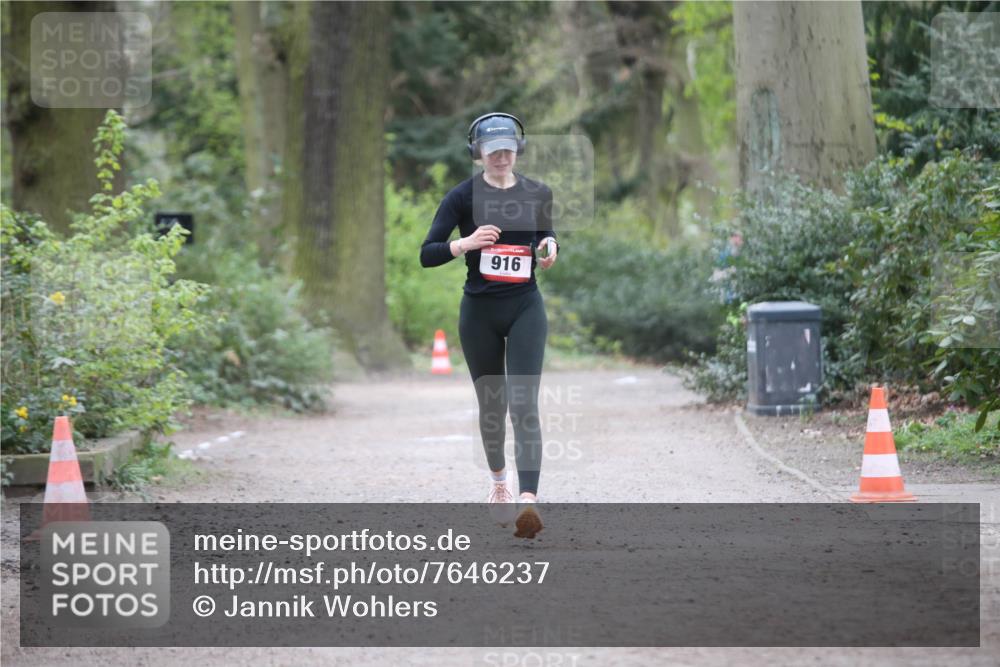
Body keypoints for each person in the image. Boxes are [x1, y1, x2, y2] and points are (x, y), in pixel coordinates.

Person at [419, 112, 558, 538]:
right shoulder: (461, 197)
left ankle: (529, 502)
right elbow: (428, 253)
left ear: (518, 151)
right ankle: (500, 484)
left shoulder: (537, 192)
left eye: (508, 149)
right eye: (493, 149)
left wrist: (550, 248)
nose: (501, 156)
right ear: (477, 153)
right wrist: (466, 243)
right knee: (493, 408)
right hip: (479, 312)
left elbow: (545, 237)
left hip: (524, 308)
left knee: (524, 405)